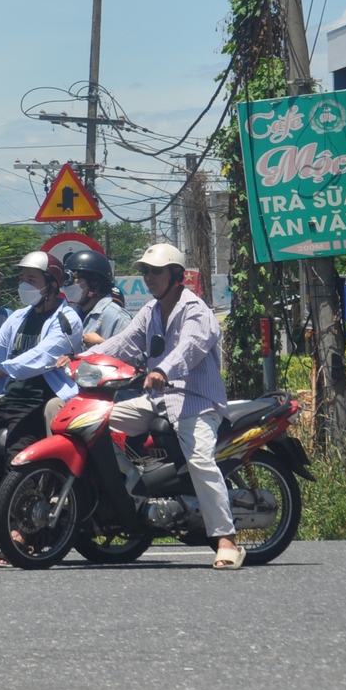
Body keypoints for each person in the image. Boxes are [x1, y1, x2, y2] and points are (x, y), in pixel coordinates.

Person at [89, 243, 243, 569]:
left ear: (176, 275)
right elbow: (122, 344)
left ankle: (226, 539)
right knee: (95, 423)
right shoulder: (150, 311)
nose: (148, 277)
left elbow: (191, 347)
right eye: (145, 271)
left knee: (200, 459)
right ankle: (135, 494)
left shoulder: (195, 310)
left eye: (155, 271)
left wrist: (162, 370)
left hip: (196, 401)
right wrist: (80, 360)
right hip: (157, 401)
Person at [0, 251, 85, 565]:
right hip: (11, 400)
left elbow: (45, 355)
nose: (24, 285)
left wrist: (3, 368)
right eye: (23, 279)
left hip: (42, 402)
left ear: (52, 283)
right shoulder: (19, 316)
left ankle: (23, 532)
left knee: (18, 457)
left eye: (32, 279)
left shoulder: (66, 317)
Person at [67, 249, 131, 346]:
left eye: (74, 278)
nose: (69, 285)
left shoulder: (116, 316)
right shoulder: (72, 315)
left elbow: (138, 357)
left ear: (94, 282)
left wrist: (102, 344)